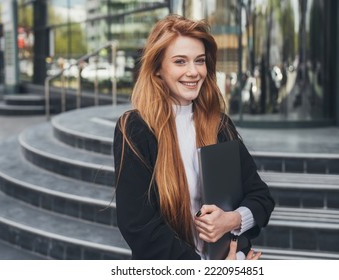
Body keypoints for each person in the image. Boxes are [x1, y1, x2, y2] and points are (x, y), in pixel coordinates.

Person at [113, 14, 275, 260]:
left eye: (199, 61)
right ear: (157, 69)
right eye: (180, 61)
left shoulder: (219, 124)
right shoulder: (134, 128)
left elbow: (261, 197)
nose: (193, 72)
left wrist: (232, 220)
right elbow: (139, 227)